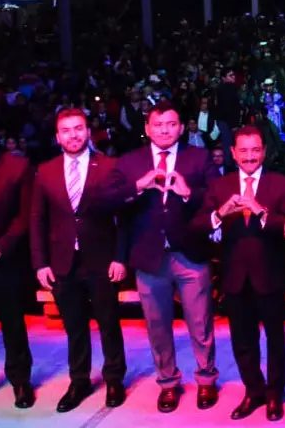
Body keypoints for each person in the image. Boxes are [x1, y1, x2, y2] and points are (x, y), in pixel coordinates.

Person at [95, 100, 221, 413]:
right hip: (149, 257)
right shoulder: (129, 161)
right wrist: (138, 186)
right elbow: (106, 201)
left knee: (200, 322)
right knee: (157, 325)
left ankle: (206, 379)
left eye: (171, 124)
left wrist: (187, 193)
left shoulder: (199, 157)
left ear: (181, 128)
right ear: (147, 129)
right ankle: (168, 382)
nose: (164, 130)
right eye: (158, 124)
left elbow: (217, 197)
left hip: (190, 253)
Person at [195, 125, 285, 421]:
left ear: (264, 151)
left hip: (270, 274)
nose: (250, 156)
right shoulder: (219, 186)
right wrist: (218, 215)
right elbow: (197, 226)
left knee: (276, 339)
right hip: (235, 277)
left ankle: (275, 393)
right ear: (233, 153)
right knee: (243, 340)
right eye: (244, 150)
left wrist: (262, 211)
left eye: (255, 150)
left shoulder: (281, 183)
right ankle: (254, 391)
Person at [30, 109, 127, 412]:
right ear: (57, 137)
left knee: (109, 323)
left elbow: (123, 218)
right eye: (66, 130)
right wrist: (40, 263)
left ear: (88, 131)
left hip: (101, 260)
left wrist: (120, 257)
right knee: (74, 326)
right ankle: (79, 381)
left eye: (78, 128)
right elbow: (37, 221)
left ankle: (114, 379)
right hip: (62, 262)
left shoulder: (110, 166)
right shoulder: (45, 171)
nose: (73, 135)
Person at [0, 142, 36, 409]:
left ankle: (20, 380)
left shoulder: (16, 166)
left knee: (12, 324)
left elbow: (24, 217)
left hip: (4, 259)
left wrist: (0, 248)